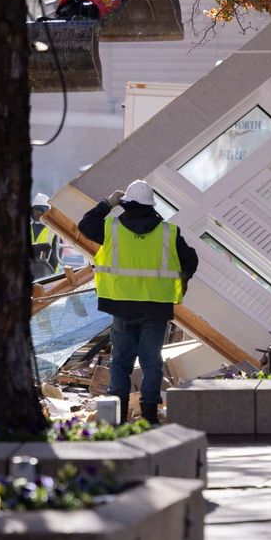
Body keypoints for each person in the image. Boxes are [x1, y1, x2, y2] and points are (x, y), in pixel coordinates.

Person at [79, 180, 198, 425]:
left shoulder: (111, 228)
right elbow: (190, 261)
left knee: (121, 362)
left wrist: (107, 203)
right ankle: (149, 417)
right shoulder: (169, 232)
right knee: (151, 361)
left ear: (126, 204)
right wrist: (183, 279)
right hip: (156, 308)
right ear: (150, 206)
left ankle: (117, 418)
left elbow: (85, 225)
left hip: (121, 306)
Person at [30, 192, 61, 280]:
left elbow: (56, 258)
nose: (36, 213)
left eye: (39, 210)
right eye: (34, 210)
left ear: (46, 211)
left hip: (49, 276)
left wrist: (51, 277)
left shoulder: (54, 231)